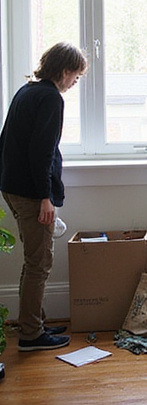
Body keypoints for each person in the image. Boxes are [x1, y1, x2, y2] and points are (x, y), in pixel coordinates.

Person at [1, 42, 87, 351]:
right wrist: (44, 198)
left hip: (11, 185)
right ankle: (31, 335)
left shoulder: (27, 91)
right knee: (39, 263)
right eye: (75, 77)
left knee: (32, 261)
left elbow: (8, 141)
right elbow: (42, 152)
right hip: (30, 192)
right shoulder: (51, 99)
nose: (74, 84)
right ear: (64, 71)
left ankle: (33, 323)